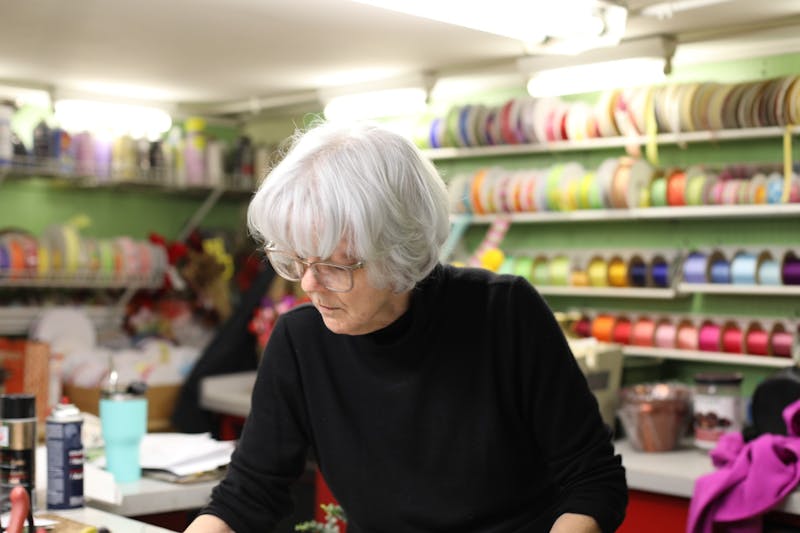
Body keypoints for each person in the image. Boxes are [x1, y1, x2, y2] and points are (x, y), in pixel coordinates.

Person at [184, 120, 627, 533]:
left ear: (400, 249)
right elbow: (247, 495)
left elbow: (592, 480)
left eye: (334, 266)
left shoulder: (504, 314)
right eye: (295, 260)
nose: (308, 284)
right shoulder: (301, 341)